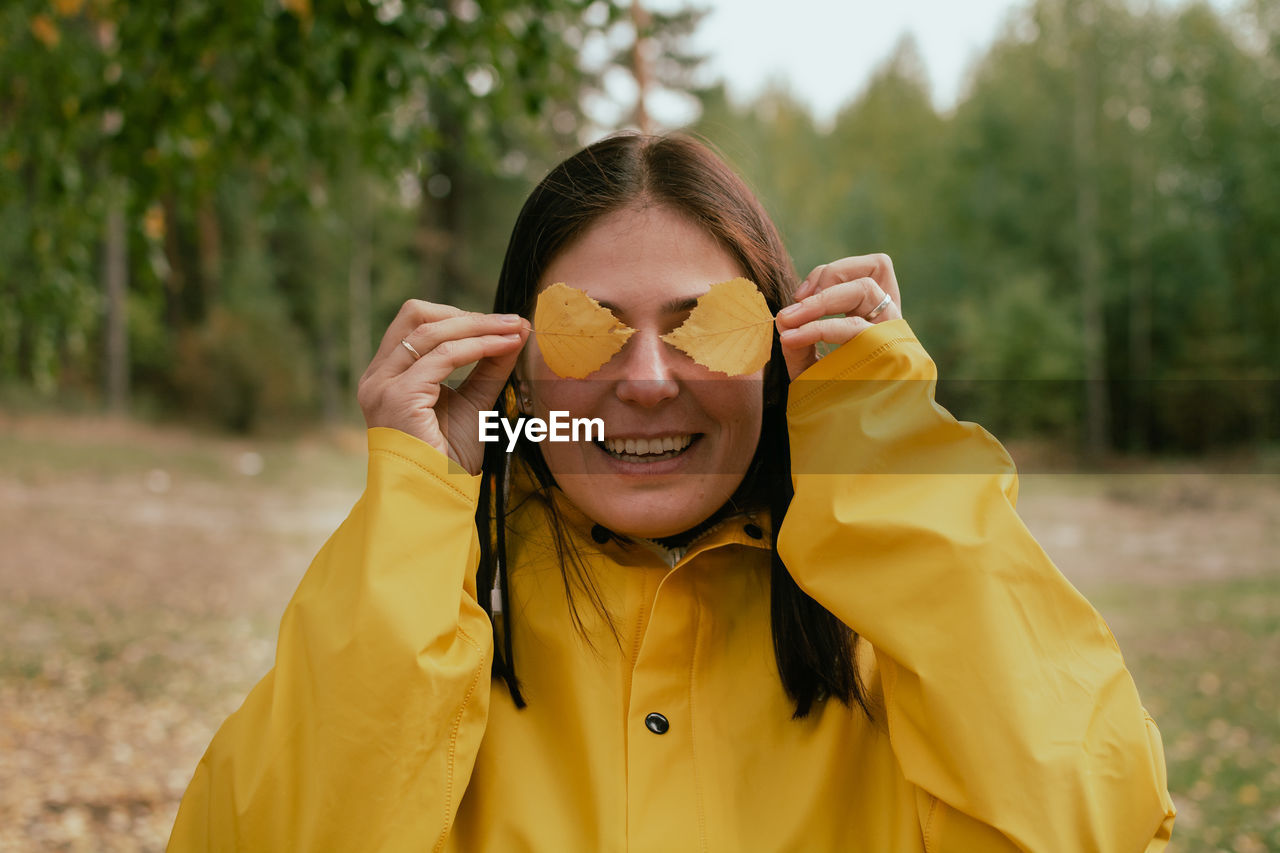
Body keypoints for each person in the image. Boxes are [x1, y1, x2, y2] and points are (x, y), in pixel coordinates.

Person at [168, 133, 1176, 851]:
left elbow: (1088, 820)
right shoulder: (426, 617)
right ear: (514, 371)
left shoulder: (895, 643)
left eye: (706, 325)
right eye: (585, 327)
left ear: (782, 355)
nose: (646, 380)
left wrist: (875, 437)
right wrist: (419, 495)